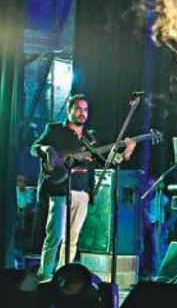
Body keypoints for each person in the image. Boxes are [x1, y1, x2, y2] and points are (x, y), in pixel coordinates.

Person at [31, 94, 136, 280]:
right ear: (69, 110)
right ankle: (45, 275)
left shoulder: (90, 137)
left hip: (82, 192)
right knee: (55, 235)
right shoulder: (55, 129)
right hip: (60, 188)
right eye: (78, 109)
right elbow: (35, 147)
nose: (82, 113)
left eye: (85, 109)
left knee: (72, 239)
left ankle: (63, 276)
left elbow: (107, 162)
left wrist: (126, 153)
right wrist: (46, 149)